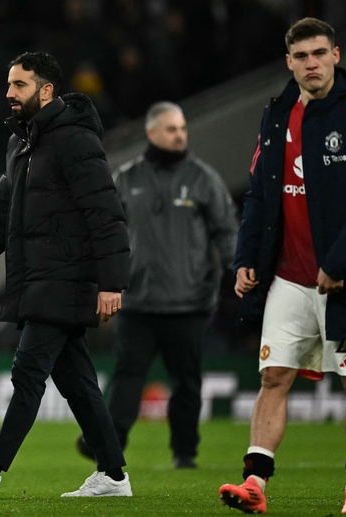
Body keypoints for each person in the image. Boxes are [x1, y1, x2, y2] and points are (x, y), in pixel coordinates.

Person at [217, 17, 346, 515]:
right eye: (301, 56)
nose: (311, 63)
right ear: (289, 62)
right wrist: (246, 258)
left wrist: (338, 262)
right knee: (273, 378)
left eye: (319, 53)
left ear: (336, 55)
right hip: (289, 278)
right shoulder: (276, 117)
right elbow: (260, 194)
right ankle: (255, 482)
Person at [0, 51, 133, 499]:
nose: (9, 92)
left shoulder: (75, 140)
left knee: (27, 371)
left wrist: (111, 282)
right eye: (9, 84)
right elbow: (5, 211)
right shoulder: (21, 143)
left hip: (64, 278)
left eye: (19, 85)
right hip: (38, 278)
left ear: (46, 90)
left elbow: (106, 213)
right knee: (77, 383)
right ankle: (113, 475)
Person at [76, 101, 238, 469]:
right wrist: (102, 279)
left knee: (186, 381)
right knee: (128, 375)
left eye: (182, 129)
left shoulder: (204, 178)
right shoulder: (127, 178)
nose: (180, 135)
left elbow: (227, 231)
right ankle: (108, 444)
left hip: (189, 302)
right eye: (171, 129)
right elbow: (105, 232)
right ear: (151, 132)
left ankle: (185, 452)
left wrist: (238, 269)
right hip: (139, 300)